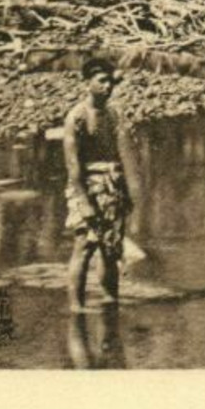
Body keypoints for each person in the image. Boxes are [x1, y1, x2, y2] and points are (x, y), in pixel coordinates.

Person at [62, 57, 133, 313]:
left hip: (112, 185)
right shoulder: (77, 117)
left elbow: (116, 155)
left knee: (111, 248)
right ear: (87, 83)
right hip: (88, 186)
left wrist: (124, 192)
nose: (108, 86)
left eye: (110, 81)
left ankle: (110, 300)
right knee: (84, 246)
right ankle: (76, 307)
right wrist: (84, 201)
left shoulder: (113, 113)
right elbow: (73, 166)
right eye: (102, 81)